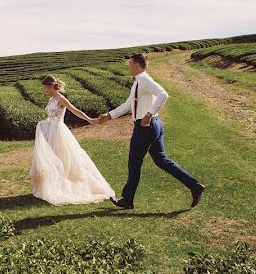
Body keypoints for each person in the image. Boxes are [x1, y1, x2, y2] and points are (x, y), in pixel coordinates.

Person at [95, 53, 206, 209]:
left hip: (145, 127)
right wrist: (109, 116)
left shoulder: (144, 80)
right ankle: (194, 186)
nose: (128, 67)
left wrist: (148, 114)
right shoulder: (139, 82)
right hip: (155, 125)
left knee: (134, 163)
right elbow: (129, 104)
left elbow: (163, 94)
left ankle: (127, 200)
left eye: (130, 64)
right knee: (161, 160)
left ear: (137, 65)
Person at [30, 75, 116, 205]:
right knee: (51, 158)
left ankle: (65, 185)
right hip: (50, 130)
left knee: (63, 157)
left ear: (51, 87)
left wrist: (89, 119)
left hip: (58, 131)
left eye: (45, 88)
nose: (44, 90)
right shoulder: (51, 99)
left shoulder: (61, 99)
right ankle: (53, 184)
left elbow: (76, 111)